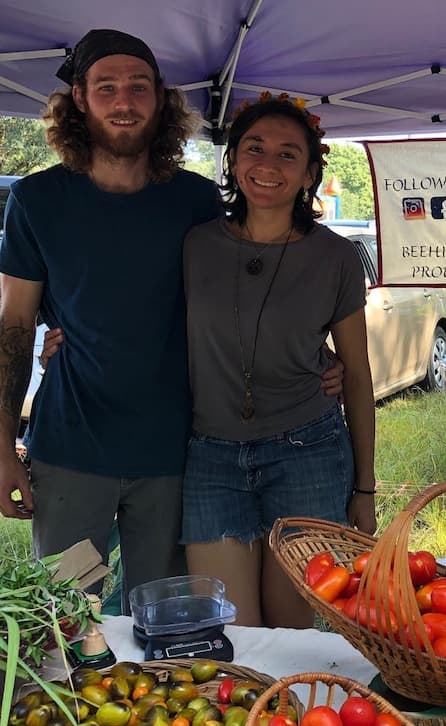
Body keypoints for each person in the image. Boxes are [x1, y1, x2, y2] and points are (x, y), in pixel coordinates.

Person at [0, 29, 343, 612]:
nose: (124, 101)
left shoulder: (195, 201)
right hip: (70, 449)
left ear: (160, 100)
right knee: (66, 620)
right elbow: (13, 325)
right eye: (106, 88)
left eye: (139, 87)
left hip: (177, 453)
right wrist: (2, 444)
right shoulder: (37, 201)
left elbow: (248, 301)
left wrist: (314, 355)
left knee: (167, 627)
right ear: (80, 99)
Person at [180, 93, 376, 628]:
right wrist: (60, 331)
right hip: (211, 458)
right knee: (229, 635)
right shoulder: (194, 245)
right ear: (233, 160)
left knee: (290, 635)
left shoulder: (336, 256)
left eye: (288, 154)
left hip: (307, 454)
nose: (268, 165)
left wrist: (364, 489)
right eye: (254, 148)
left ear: (311, 172)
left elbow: (356, 374)